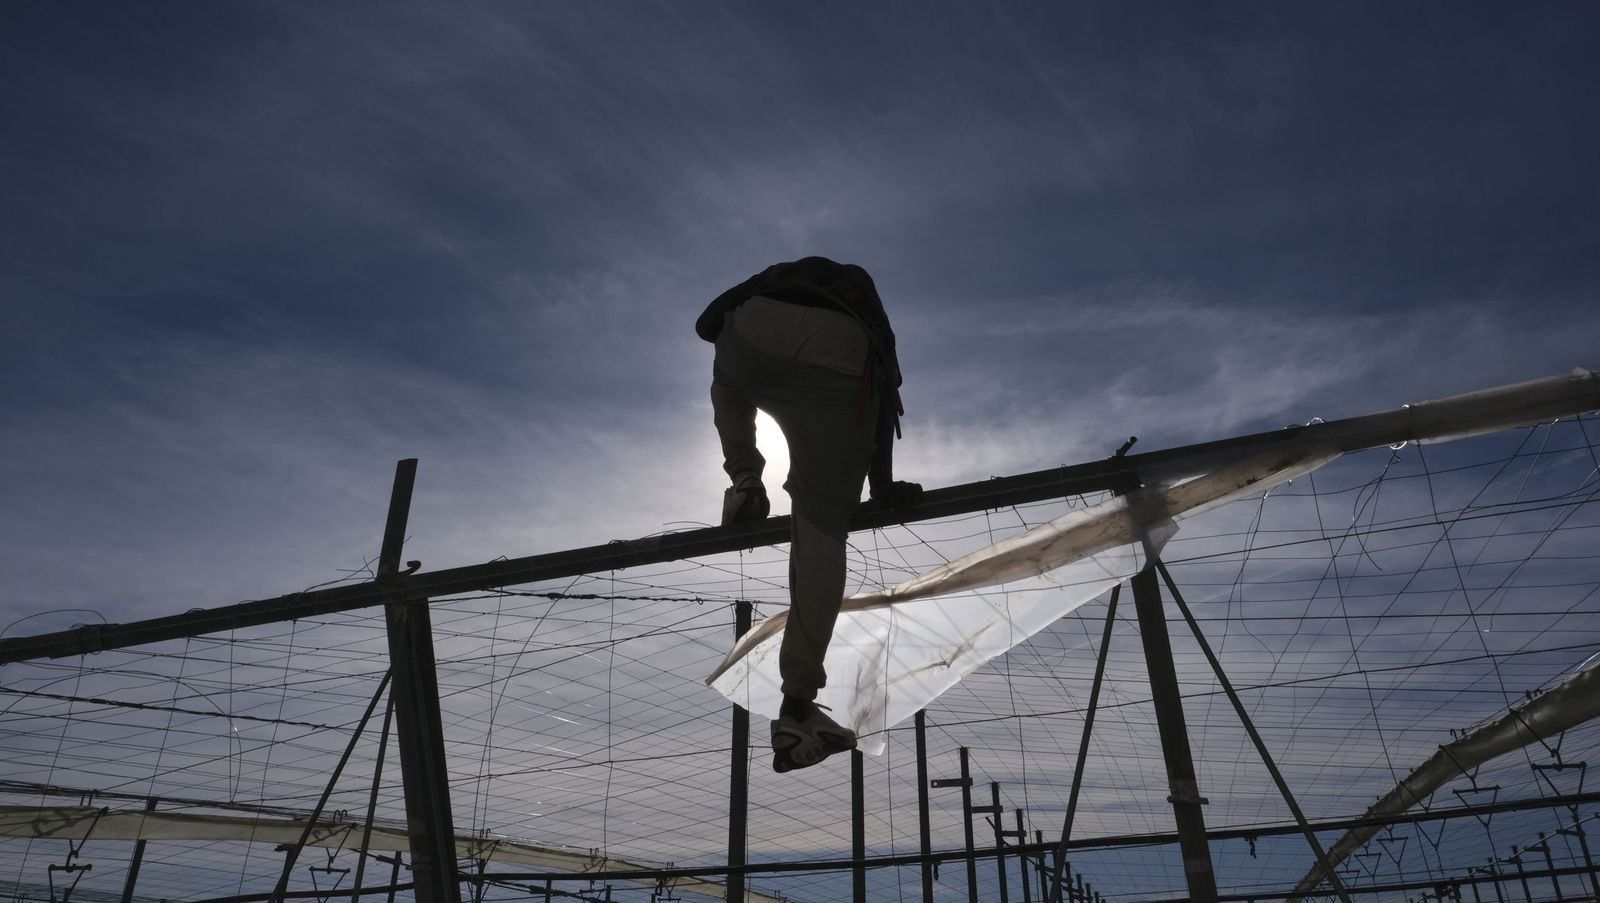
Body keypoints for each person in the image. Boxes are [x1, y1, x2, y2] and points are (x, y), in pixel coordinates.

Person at [696, 256, 922, 773]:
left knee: (725, 375)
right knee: (820, 528)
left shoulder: (770, 282)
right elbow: (881, 384)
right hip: (835, 357)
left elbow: (706, 324)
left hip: (745, 338)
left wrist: (751, 313)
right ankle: (797, 704)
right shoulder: (858, 302)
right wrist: (883, 485)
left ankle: (745, 480)